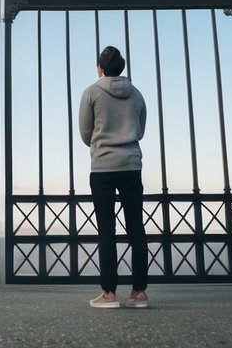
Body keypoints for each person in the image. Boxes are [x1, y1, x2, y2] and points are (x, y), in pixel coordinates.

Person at [78, 45, 148, 309]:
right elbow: (140, 131)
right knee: (136, 229)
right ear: (121, 67)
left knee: (107, 231)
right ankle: (139, 293)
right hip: (131, 166)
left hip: (103, 169)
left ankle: (109, 295)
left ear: (100, 67)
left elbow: (86, 133)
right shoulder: (137, 94)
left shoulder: (92, 92)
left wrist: (103, 142)